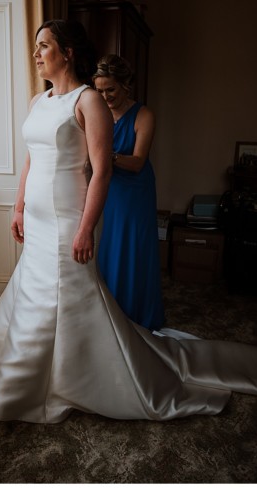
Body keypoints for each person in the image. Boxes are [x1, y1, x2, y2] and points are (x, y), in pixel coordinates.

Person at [0, 20, 257, 423]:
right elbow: (31, 159)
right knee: (31, 291)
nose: (36, 54)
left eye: (44, 46)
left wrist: (86, 227)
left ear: (67, 52)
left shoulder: (88, 102)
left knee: (67, 292)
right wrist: (17, 208)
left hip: (70, 217)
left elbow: (101, 170)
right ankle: (44, 373)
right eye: (35, 46)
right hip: (35, 218)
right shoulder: (38, 102)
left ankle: (73, 378)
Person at [92, 55, 164, 331]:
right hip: (107, 188)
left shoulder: (144, 115)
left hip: (134, 192)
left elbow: (137, 162)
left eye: (110, 89)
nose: (105, 96)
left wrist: (105, 156)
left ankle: (135, 315)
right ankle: (109, 315)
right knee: (108, 247)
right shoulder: (98, 112)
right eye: (99, 90)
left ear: (125, 86)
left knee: (132, 249)